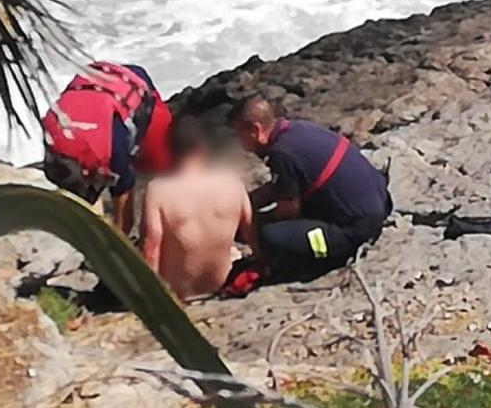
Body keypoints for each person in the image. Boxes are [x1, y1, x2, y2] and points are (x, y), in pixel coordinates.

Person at [228, 95, 391, 285]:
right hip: (378, 202)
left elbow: (288, 211)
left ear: (255, 130)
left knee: (270, 237)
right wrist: (246, 202)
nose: (242, 144)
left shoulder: (282, 154)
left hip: (357, 229)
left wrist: (251, 225)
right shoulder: (297, 130)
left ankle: (324, 258)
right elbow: (283, 188)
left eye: (241, 137)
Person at [41, 62, 173, 233]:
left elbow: (124, 211)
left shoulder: (114, 150)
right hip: (99, 83)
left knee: (163, 167)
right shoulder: (53, 137)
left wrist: (118, 236)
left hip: (134, 83)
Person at [139, 117, 255, 300]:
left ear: (170, 151)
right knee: (233, 251)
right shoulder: (231, 181)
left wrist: (150, 296)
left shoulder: (158, 190)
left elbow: (151, 249)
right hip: (221, 283)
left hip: (179, 292)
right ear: (203, 149)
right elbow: (251, 233)